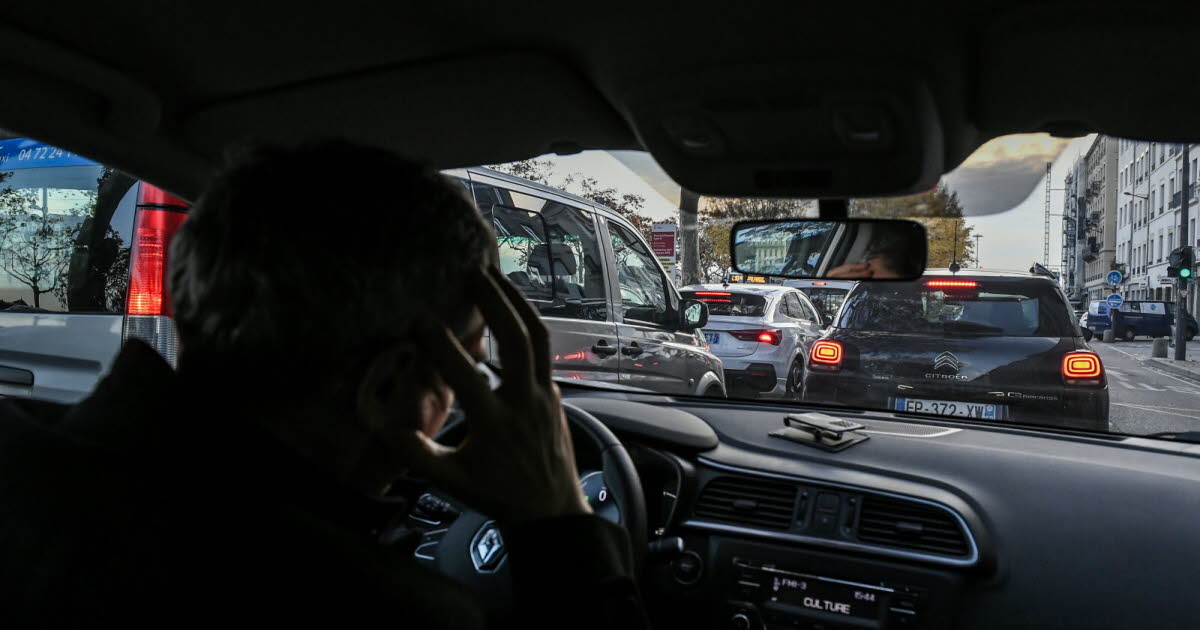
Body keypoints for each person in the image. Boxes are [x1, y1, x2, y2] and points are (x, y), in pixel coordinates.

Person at [0, 142, 649, 628]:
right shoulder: (393, 611)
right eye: (469, 360)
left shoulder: (23, 461)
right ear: (391, 381)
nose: (466, 392)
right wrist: (561, 529)